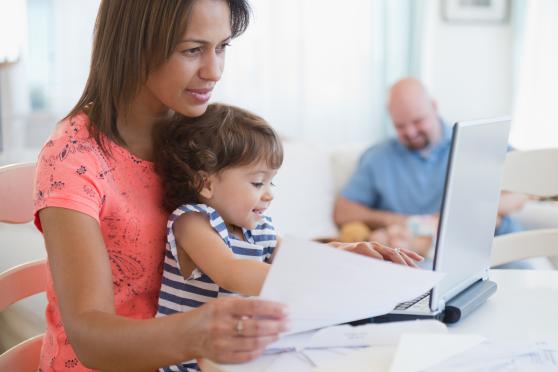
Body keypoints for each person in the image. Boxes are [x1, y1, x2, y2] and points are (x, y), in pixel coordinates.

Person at [33, 2, 420, 371]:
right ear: (135, 44)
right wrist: (199, 331)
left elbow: (248, 247)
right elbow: (89, 337)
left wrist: (331, 259)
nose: (214, 71)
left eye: (221, 47)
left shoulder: (197, 132)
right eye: (193, 50)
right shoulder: (74, 158)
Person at [333, 77, 527, 256]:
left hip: (493, 246)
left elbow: (525, 186)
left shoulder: (474, 141)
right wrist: (397, 221)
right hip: (421, 256)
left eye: (418, 121)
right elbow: (343, 211)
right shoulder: (378, 157)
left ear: (434, 107)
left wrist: (464, 214)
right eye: (400, 126)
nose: (410, 131)